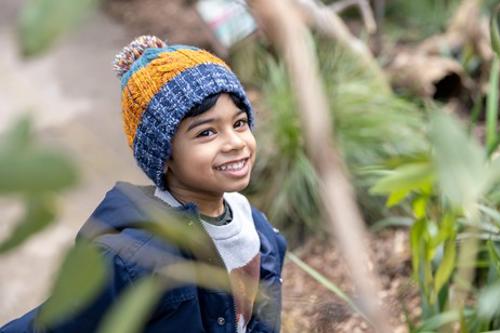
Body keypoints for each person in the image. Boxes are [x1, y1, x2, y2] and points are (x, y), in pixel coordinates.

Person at [1, 35, 287, 333]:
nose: (234, 142)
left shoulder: (254, 224)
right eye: (206, 133)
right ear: (164, 155)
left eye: (239, 123)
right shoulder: (133, 259)